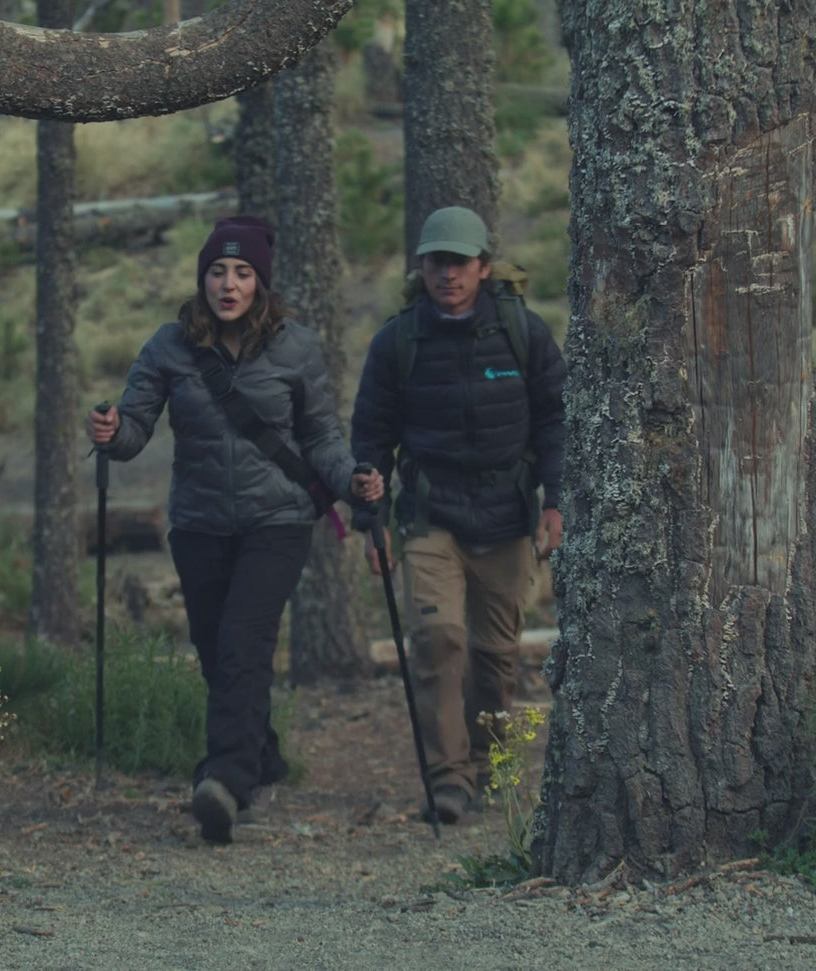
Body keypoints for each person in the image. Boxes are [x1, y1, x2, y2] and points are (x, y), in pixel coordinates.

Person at [86, 216, 383, 844]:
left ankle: (224, 780)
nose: (228, 284)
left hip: (277, 520)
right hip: (198, 523)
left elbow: (322, 437)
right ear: (202, 280)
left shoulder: (296, 347)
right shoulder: (169, 346)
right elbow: (136, 428)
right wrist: (112, 433)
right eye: (218, 272)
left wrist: (353, 477)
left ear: (260, 283)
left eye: (242, 273)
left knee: (243, 643)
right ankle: (261, 756)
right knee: (214, 651)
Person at [350, 206, 566, 824]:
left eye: (461, 262)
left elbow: (556, 419)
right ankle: (447, 779)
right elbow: (371, 438)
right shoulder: (397, 342)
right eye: (437, 262)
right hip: (430, 516)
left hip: (507, 515)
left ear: (484, 267)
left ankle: (491, 766)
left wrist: (557, 502)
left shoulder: (523, 333)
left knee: (496, 656)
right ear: (421, 268)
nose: (449, 274)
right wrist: (371, 523)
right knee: (437, 640)